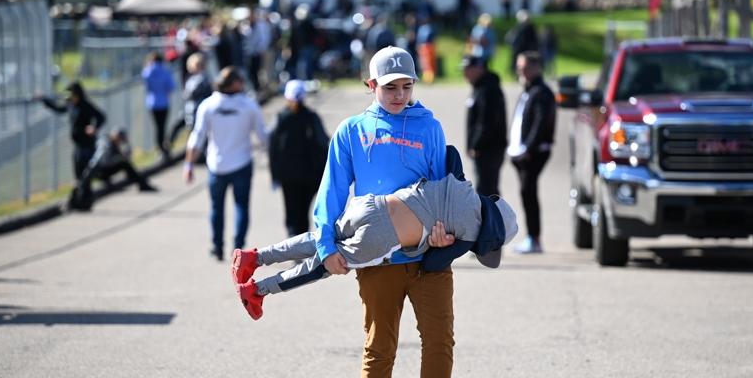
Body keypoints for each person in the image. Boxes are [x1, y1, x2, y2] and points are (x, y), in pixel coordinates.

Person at [310, 45, 461, 378]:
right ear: (371, 85)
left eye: (406, 86)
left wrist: (444, 231)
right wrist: (326, 246)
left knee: (440, 341)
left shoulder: (429, 127)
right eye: (390, 87)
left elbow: (441, 188)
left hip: (429, 257)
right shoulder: (352, 131)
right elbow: (331, 192)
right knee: (380, 345)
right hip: (378, 259)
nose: (399, 95)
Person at [231, 164, 518, 320]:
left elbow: (451, 152)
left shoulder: (461, 183)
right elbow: (431, 265)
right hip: (382, 238)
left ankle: (254, 257)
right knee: (323, 265)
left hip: (372, 204)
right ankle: (257, 290)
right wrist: (441, 245)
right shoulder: (469, 235)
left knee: (322, 240)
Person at [185, 67, 269, 260]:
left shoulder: (208, 105)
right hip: (242, 163)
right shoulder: (248, 105)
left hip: (216, 164)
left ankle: (217, 246)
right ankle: (238, 248)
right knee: (241, 206)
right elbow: (263, 135)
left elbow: (197, 136)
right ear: (234, 83)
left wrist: (189, 164)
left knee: (216, 207)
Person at [508, 52, 557, 254]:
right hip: (521, 153)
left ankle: (534, 238)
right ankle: (531, 237)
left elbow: (540, 123)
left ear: (537, 68)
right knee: (526, 192)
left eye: (525, 68)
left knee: (528, 191)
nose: (521, 72)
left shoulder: (542, 92)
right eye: (519, 68)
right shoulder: (528, 91)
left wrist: (528, 149)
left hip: (534, 153)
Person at [268, 79, 330, 236]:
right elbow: (323, 142)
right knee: (303, 212)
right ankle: (302, 242)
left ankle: (293, 241)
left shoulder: (281, 117)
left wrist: (274, 174)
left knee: (292, 212)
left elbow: (272, 148)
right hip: (311, 174)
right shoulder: (311, 117)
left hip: (288, 175)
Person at [71, 129, 158, 210]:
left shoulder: (115, 144)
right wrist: (87, 177)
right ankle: (142, 184)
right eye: (120, 139)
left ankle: (142, 184)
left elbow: (128, 156)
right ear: (115, 136)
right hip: (98, 171)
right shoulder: (105, 143)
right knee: (124, 163)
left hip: (102, 169)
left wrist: (126, 145)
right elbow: (98, 161)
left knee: (125, 163)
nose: (120, 142)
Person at [39, 82, 106, 183]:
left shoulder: (85, 105)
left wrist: (94, 127)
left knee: (87, 171)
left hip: (87, 144)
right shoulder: (71, 105)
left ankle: (87, 188)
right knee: (78, 172)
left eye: (72, 95)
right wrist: (44, 100)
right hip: (77, 145)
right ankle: (81, 189)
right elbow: (59, 108)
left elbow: (101, 117)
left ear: (77, 94)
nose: (69, 98)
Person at [462, 55, 507, 197]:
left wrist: (476, 145)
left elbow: (487, 122)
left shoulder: (488, 89)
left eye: (468, 69)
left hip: (489, 150)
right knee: (484, 189)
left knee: (487, 191)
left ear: (479, 69)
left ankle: (492, 213)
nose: (465, 73)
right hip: (483, 150)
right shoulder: (479, 87)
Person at [168, 52, 213, 146]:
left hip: (197, 109)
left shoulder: (203, 78)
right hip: (190, 109)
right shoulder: (193, 78)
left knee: (197, 133)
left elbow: (191, 93)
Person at [142, 52, 176, 158]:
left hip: (152, 103)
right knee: (162, 126)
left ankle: (160, 147)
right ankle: (163, 147)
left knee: (157, 127)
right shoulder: (165, 71)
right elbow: (171, 87)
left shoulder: (147, 71)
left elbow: (146, 83)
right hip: (164, 102)